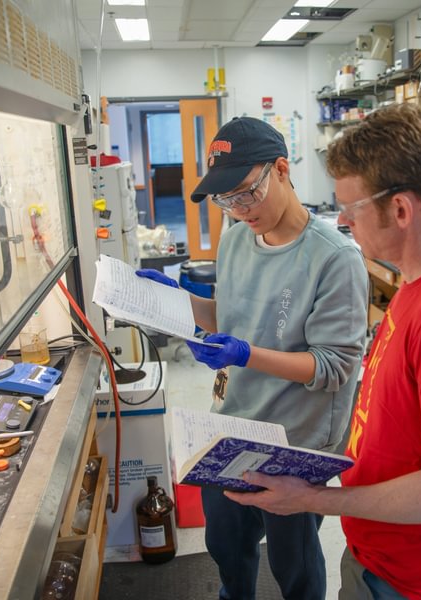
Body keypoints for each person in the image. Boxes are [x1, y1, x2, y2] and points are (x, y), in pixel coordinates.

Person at [226, 103, 421, 600]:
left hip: (414, 578)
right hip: (378, 549)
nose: (341, 220)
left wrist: (316, 499)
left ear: (401, 210)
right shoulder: (416, 282)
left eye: (352, 208)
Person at [136, 116, 368, 600]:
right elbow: (231, 314)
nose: (239, 209)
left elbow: (332, 368)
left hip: (294, 442)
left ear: (281, 170)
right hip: (232, 425)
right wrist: (181, 304)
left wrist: (244, 354)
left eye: (246, 193)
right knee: (226, 544)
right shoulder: (237, 235)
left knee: (294, 563)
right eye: (226, 199)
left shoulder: (334, 258)